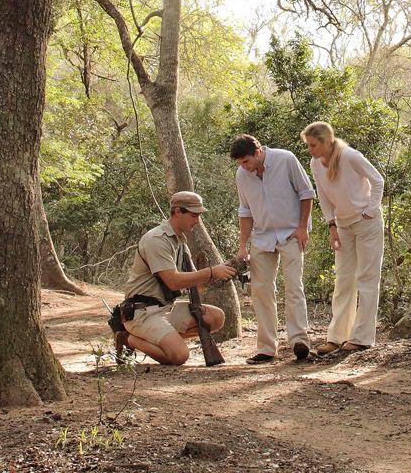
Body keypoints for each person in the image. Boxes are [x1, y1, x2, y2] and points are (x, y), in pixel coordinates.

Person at [114, 191, 235, 366]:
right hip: (143, 313)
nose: (197, 221)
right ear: (177, 211)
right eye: (194, 215)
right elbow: (173, 281)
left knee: (215, 317)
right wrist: (211, 271)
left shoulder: (180, 242)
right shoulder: (157, 239)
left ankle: (163, 339)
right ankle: (127, 338)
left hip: (166, 309)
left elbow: (197, 286)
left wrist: (223, 274)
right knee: (179, 356)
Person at [230, 134, 316, 362]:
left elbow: (306, 193)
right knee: (261, 289)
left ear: (257, 152)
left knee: (293, 286)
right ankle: (267, 348)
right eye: (239, 164)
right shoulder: (242, 175)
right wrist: (243, 246)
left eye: (246, 162)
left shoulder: (285, 159)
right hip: (262, 236)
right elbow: (245, 211)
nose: (244, 167)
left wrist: (302, 228)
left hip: (290, 233)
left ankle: (299, 340)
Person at [303, 120, 385, 355]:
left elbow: (377, 180)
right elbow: (323, 195)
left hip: (367, 224)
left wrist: (370, 210)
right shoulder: (315, 163)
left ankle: (362, 338)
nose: (310, 150)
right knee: (343, 280)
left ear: (326, 142)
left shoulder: (350, 156)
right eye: (308, 145)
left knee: (367, 278)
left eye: (313, 145)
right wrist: (332, 225)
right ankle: (337, 337)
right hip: (342, 225)